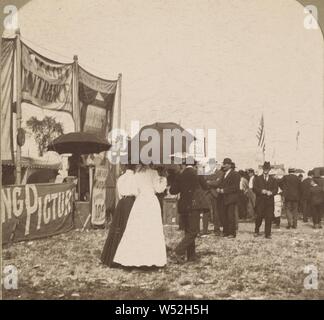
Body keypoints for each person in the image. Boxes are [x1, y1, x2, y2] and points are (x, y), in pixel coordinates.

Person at [113, 165, 167, 268]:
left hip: (140, 201)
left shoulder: (137, 174)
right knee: (151, 230)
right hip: (151, 201)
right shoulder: (153, 173)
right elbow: (159, 189)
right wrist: (163, 178)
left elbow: (135, 190)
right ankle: (152, 259)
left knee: (137, 230)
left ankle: (134, 259)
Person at [170, 157, 209, 263]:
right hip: (194, 205)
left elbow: (173, 191)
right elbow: (205, 187)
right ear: (194, 164)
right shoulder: (197, 174)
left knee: (188, 231)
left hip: (183, 206)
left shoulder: (181, 175)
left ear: (184, 164)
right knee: (194, 231)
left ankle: (191, 256)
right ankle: (178, 251)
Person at [101, 164, 137, 267]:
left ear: (125, 167)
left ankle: (113, 256)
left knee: (118, 229)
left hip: (122, 203)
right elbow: (136, 192)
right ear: (134, 168)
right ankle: (127, 257)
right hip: (131, 202)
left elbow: (119, 193)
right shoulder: (135, 178)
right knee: (129, 228)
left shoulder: (121, 178)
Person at [216, 158, 240, 238]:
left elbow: (235, 187)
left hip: (231, 198)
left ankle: (232, 233)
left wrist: (224, 190)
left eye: (226, 164)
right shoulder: (223, 174)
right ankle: (225, 231)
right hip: (223, 198)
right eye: (223, 164)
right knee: (224, 216)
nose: (224, 165)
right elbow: (220, 184)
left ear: (230, 165)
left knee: (230, 216)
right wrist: (219, 189)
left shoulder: (235, 174)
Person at [253, 161, 278, 239]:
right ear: (263, 169)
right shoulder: (257, 178)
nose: (266, 170)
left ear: (269, 169)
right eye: (264, 168)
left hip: (269, 202)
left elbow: (276, 189)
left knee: (269, 217)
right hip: (260, 201)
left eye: (267, 168)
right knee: (259, 217)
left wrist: (272, 192)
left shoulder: (273, 179)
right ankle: (256, 230)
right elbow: (254, 188)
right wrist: (261, 191)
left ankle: (268, 233)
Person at [205, 163, 225, 236]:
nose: (211, 165)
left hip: (215, 194)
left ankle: (217, 229)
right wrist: (213, 181)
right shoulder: (207, 172)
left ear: (215, 164)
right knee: (206, 211)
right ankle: (205, 230)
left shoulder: (220, 173)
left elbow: (218, 183)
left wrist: (209, 182)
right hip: (207, 193)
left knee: (216, 212)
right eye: (210, 164)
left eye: (212, 163)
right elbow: (204, 182)